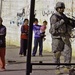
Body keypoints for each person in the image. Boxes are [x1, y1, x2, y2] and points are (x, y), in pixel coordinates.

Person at [49, 2, 73, 74]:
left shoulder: (64, 16)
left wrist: (71, 23)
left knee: (68, 51)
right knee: (57, 53)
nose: (61, 9)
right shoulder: (54, 16)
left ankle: (67, 66)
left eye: (62, 8)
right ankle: (57, 68)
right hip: (57, 37)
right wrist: (62, 21)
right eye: (60, 8)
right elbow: (54, 26)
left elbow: (67, 25)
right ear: (57, 8)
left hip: (64, 36)